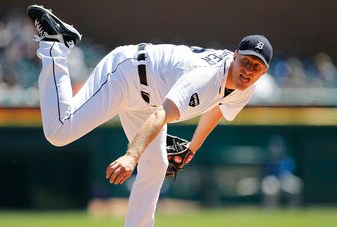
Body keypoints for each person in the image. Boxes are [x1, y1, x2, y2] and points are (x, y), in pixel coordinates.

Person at [27, 4, 273, 227]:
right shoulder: (206, 77)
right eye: (245, 61)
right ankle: (54, 43)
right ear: (234, 56)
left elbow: (218, 108)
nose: (248, 70)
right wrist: (131, 157)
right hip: (126, 74)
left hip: (148, 93)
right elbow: (160, 115)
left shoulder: (245, 88)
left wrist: (192, 148)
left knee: (156, 164)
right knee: (59, 132)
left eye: (256, 66)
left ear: (264, 72)